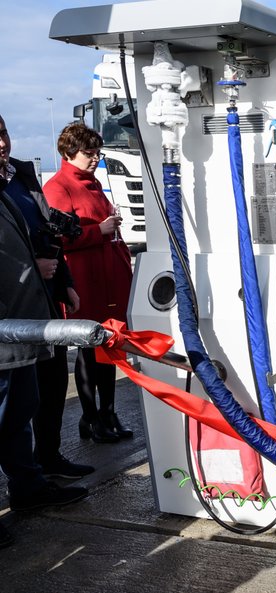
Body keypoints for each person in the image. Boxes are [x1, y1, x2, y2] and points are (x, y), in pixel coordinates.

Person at [1, 125, 88, 546]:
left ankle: (29, 487)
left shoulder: (15, 179)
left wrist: (58, 275)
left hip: (25, 321)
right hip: (5, 324)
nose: (2, 142)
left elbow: (45, 236)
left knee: (21, 411)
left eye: (2, 132)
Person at [44, 122, 135, 443]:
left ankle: (108, 413)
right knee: (88, 347)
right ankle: (91, 417)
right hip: (86, 278)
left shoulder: (91, 182)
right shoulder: (58, 186)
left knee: (108, 346)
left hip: (107, 275)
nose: (95, 158)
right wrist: (101, 231)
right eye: (89, 153)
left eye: (98, 152)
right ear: (70, 153)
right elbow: (59, 238)